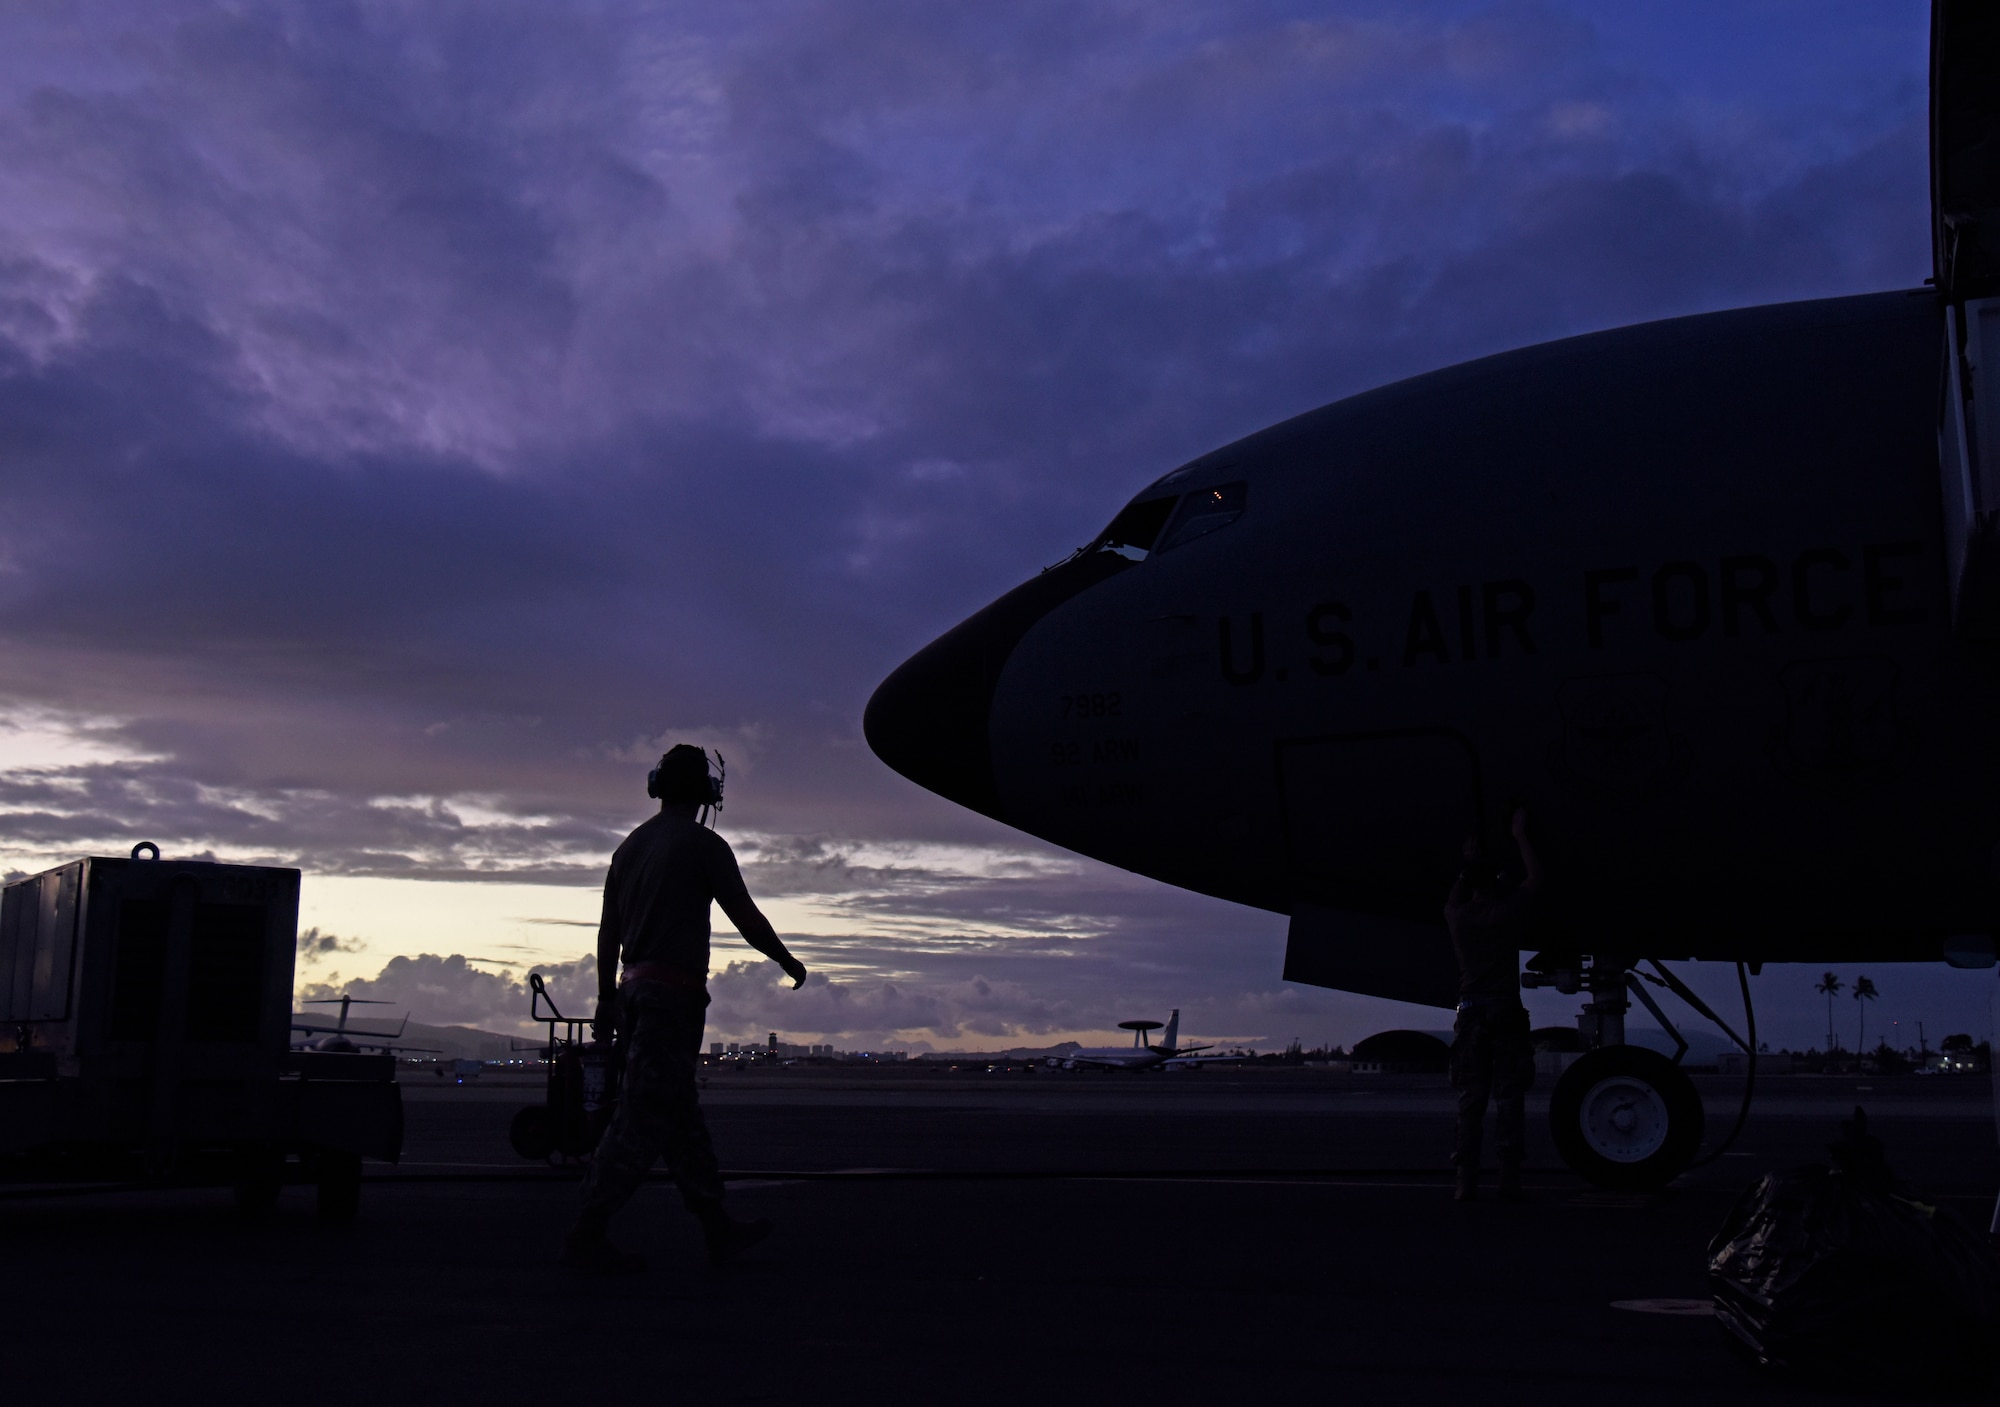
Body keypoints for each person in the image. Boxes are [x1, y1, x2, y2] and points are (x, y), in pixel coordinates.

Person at [562, 744, 808, 1273]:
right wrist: (786, 959)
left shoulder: (628, 849)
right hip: (671, 1002)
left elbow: (609, 932)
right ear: (706, 792)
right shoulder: (704, 845)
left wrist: (606, 997)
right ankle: (587, 1232)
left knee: (679, 1120)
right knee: (641, 1119)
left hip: (635, 997)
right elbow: (743, 912)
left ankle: (717, 1228)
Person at [1444, 806, 1540, 1203]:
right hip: (1505, 1010)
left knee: (1471, 1100)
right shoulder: (1508, 912)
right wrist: (1519, 835)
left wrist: (1466, 865)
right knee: (1509, 1097)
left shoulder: (1459, 917)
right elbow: (1535, 879)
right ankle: (1509, 1178)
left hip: (1471, 1013)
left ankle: (1465, 1181)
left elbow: (1453, 898)